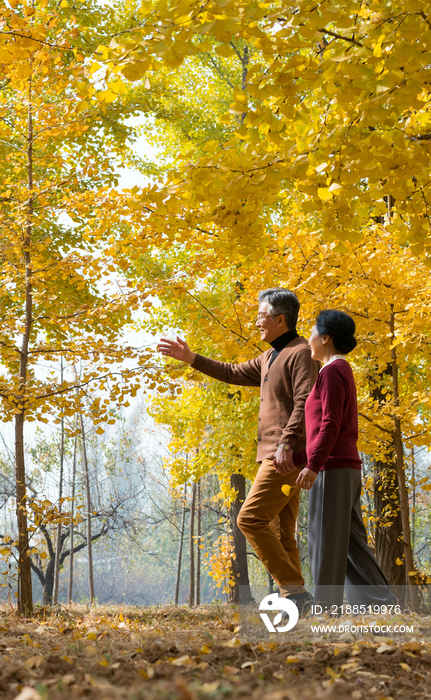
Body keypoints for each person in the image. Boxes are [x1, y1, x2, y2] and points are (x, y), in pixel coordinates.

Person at [158, 288, 319, 608]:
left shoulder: (300, 352)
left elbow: (305, 400)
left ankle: (297, 593)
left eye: (261, 316)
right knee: (282, 532)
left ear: (280, 319)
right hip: (272, 453)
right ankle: (296, 603)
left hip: (284, 454)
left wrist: (287, 441)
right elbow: (232, 372)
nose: (256, 321)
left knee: (249, 519)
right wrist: (191, 358)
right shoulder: (269, 356)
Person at [294, 310, 396, 610]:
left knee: (323, 542)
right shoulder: (339, 370)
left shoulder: (331, 371)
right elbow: (327, 431)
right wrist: (297, 458)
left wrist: (313, 465)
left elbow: (331, 424)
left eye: (312, 331)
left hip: (333, 468)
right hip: (342, 466)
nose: (308, 338)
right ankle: (384, 606)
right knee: (351, 546)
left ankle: (325, 611)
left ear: (325, 338)